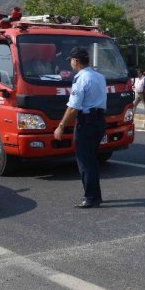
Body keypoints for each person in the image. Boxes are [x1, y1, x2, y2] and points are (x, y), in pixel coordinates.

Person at [53, 47, 107, 209]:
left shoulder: (80, 79)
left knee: (85, 161)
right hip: (99, 121)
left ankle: (91, 197)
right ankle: (95, 195)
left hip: (86, 122)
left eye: (71, 60)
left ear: (76, 61)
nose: (70, 63)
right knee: (92, 160)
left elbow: (73, 107)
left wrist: (61, 126)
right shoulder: (99, 77)